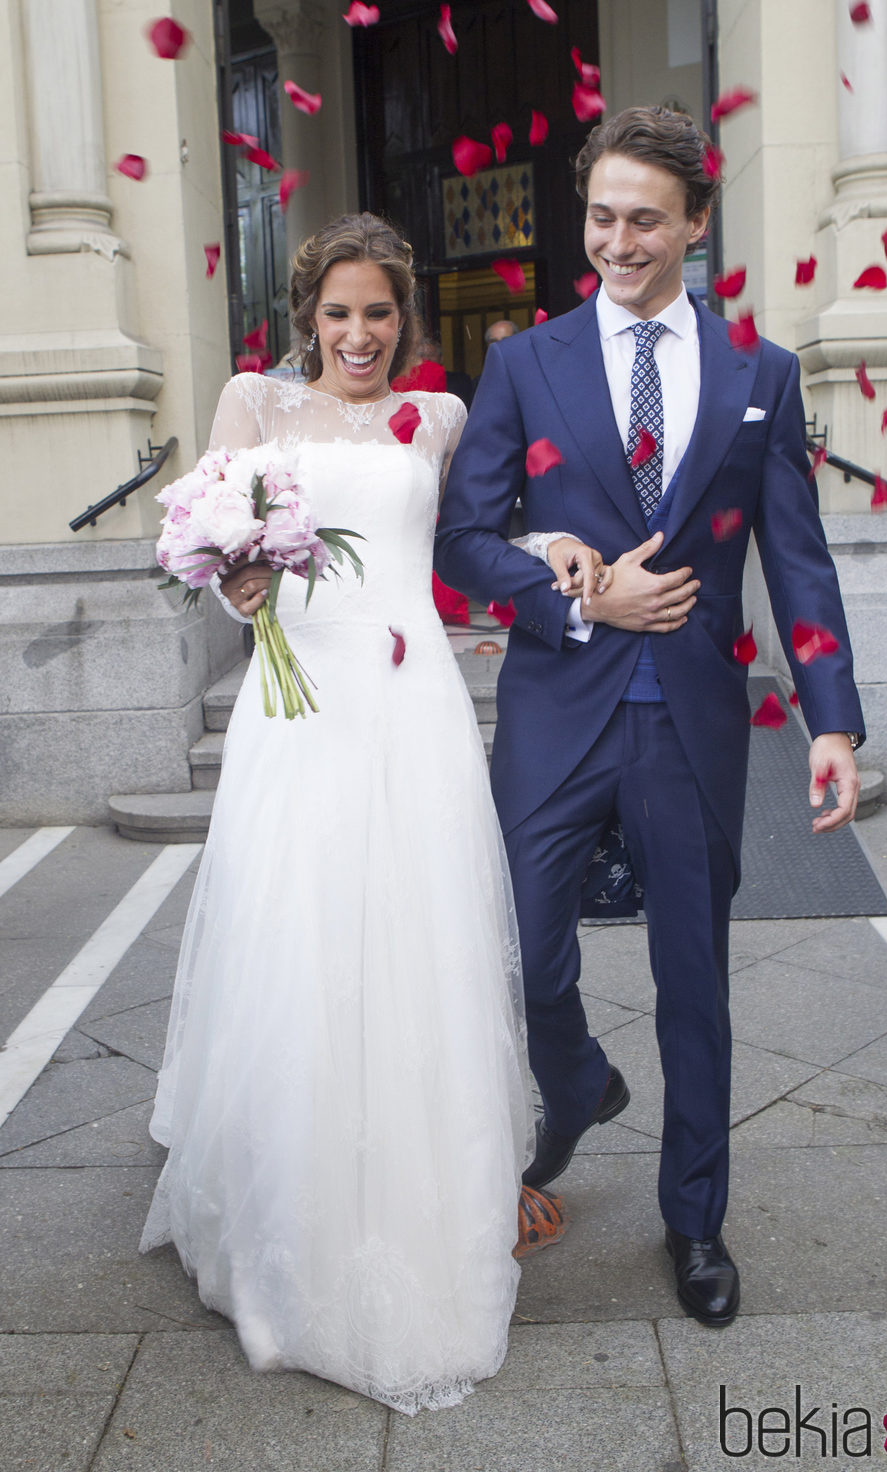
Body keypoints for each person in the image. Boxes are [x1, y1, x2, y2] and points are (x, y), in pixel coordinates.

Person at [434, 107, 865, 1328]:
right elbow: (463, 539)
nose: (615, 240)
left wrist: (828, 717)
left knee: (694, 978)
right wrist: (573, 581)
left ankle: (693, 1216)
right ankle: (573, 1086)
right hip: (554, 707)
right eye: (598, 216)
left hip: (689, 720)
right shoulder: (524, 361)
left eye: (640, 218)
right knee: (519, 946)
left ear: (690, 223)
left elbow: (798, 558)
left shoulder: (758, 376)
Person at [140, 213, 552, 1414]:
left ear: (402, 317)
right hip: (301, 701)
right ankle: (290, 1211)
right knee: (299, 938)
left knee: (416, 938)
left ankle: (429, 1189)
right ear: (306, 317)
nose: (359, 334)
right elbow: (217, 568)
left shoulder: (442, 418)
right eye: (337, 313)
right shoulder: (253, 409)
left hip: (410, 691)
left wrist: (562, 555)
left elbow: (472, 543)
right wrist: (241, 582)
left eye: (378, 313)